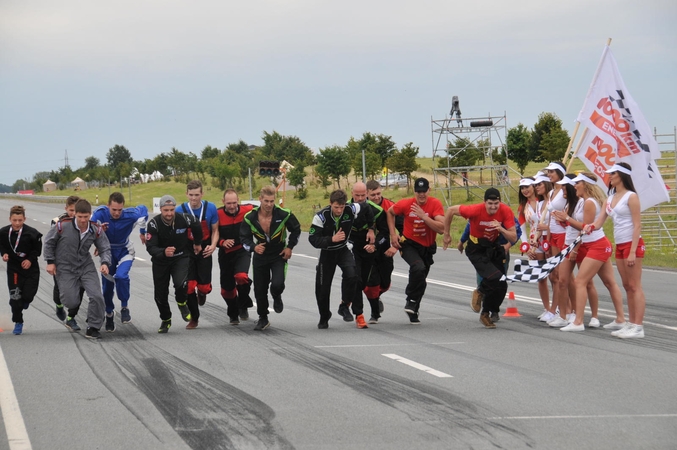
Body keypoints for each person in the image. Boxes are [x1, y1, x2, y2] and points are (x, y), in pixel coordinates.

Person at [586, 163, 646, 338]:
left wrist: (633, 251)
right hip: (620, 245)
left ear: (622, 175)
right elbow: (599, 222)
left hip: (632, 244)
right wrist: (589, 227)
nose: (610, 176)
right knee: (627, 286)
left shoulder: (631, 196)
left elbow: (637, 225)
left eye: (613, 173)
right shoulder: (610, 198)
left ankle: (638, 327)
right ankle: (630, 323)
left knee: (635, 286)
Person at [559, 173, 626, 332]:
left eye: (577, 183)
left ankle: (578, 322)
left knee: (580, 282)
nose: (574, 186)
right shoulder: (583, 201)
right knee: (609, 282)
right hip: (592, 244)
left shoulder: (590, 202)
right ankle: (620, 319)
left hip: (597, 245)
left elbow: (586, 228)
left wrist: (567, 218)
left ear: (585, 185)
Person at [443, 188, 517, 328]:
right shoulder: (475, 210)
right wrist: (447, 234)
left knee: (502, 284)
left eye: (496, 203)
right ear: (484, 202)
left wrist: (501, 229)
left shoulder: (505, 211)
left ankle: (486, 313)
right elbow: (450, 210)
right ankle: (480, 291)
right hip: (476, 249)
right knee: (494, 277)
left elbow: (513, 237)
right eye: (490, 203)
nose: (493, 207)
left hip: (493, 247)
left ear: (500, 202)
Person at [43, 199, 111, 340]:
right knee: (71, 302)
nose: (83, 220)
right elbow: (49, 242)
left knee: (97, 296)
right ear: (75, 214)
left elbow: (105, 247)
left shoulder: (95, 229)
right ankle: (70, 297)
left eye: (86, 217)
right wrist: (50, 262)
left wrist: (105, 263)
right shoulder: (62, 226)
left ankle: (93, 327)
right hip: (65, 266)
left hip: (85, 265)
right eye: (80, 216)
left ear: (90, 214)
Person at [309, 189, 374, 329]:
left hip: (343, 250)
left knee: (353, 276)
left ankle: (344, 305)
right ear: (330, 203)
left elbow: (367, 207)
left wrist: (371, 229)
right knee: (322, 288)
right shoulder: (320, 217)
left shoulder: (351, 209)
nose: (339, 210)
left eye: (342, 207)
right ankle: (324, 316)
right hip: (327, 253)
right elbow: (313, 239)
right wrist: (331, 239)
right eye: (336, 207)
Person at [241, 186, 301, 331]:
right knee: (259, 288)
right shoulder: (250, 217)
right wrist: (254, 247)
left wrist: (289, 247)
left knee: (277, 284)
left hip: (278, 254)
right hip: (260, 254)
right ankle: (263, 317)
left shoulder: (284, 214)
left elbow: (296, 230)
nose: (269, 204)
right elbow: (243, 238)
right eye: (266, 201)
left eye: (272, 201)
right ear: (260, 199)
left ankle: (277, 295)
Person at [387, 177, 445, 324]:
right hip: (409, 244)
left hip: (427, 247)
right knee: (418, 268)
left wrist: (424, 217)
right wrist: (393, 234)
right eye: (418, 191)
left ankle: (413, 309)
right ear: (414, 192)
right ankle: (411, 300)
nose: (421, 195)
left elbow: (441, 228)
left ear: (429, 191)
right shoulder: (406, 204)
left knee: (421, 279)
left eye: (424, 191)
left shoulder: (435, 204)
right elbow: (390, 212)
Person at [91, 192, 148, 332]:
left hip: (124, 251)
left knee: (121, 276)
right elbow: (89, 230)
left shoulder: (130, 214)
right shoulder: (99, 214)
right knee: (107, 287)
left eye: (120, 210)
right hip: (107, 253)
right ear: (108, 206)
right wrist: (98, 238)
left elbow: (144, 210)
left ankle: (124, 307)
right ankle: (109, 314)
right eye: (114, 210)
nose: (117, 213)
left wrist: (142, 231)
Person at [145, 195, 203, 332]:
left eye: (172, 210)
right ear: (160, 209)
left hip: (180, 257)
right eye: (166, 210)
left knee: (181, 284)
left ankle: (182, 303)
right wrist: (163, 252)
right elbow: (150, 247)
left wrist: (197, 243)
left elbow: (196, 225)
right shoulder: (153, 224)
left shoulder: (184, 218)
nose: (169, 214)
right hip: (161, 261)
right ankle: (166, 319)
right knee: (160, 295)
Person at [550, 175, 600, 328]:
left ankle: (593, 316)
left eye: (565, 186)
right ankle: (564, 315)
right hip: (569, 244)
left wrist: (567, 220)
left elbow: (585, 227)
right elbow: (571, 225)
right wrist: (562, 219)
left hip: (581, 244)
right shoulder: (571, 203)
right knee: (562, 280)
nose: (562, 189)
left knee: (586, 282)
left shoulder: (585, 202)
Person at [176, 180, 219, 308]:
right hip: (188, 249)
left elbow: (215, 230)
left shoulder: (210, 208)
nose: (193, 198)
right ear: (186, 194)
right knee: (189, 286)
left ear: (202, 194)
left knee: (204, 287)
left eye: (196, 195)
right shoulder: (180, 210)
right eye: (191, 195)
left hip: (205, 248)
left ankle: (202, 292)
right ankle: (193, 310)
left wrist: (213, 246)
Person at [0, 206, 43, 335]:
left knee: (27, 296)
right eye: (14, 220)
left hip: (30, 268)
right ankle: (18, 322)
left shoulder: (33, 233)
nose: (17, 223)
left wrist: (29, 260)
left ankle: (24, 302)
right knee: (15, 297)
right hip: (14, 269)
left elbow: (37, 250)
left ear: (24, 219)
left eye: (20, 220)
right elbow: (1, 245)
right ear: (10, 219)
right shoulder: (3, 232)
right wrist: (4, 254)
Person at [349, 182, 386, 324]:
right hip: (351, 248)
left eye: (363, 195)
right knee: (355, 278)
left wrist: (375, 245)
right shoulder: (345, 208)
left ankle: (375, 310)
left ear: (367, 194)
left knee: (368, 283)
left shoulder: (377, 211)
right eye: (357, 195)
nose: (360, 198)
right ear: (352, 194)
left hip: (369, 249)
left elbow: (385, 234)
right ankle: (359, 314)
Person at [216, 189, 255, 324]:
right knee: (226, 290)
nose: (232, 206)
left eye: (234, 203)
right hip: (225, 254)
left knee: (241, 276)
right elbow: (211, 234)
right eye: (228, 203)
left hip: (242, 250)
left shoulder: (248, 209)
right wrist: (222, 242)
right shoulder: (217, 214)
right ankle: (233, 312)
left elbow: (267, 208)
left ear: (238, 200)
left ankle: (243, 304)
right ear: (223, 202)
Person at [365, 180, 400, 323]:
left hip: (385, 249)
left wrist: (396, 247)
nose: (376, 197)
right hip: (367, 251)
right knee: (371, 283)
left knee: (385, 283)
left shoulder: (391, 206)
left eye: (378, 193)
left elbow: (405, 228)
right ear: (367, 194)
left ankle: (377, 296)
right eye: (373, 195)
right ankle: (374, 313)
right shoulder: (362, 206)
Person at [517, 177, 551, 319]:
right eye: (522, 188)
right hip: (534, 243)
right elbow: (521, 228)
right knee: (541, 277)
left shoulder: (543, 201)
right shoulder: (522, 206)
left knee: (555, 276)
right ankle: (547, 308)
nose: (525, 190)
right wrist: (526, 246)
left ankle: (561, 308)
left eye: (527, 187)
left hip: (548, 239)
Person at [50, 195, 82, 322]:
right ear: (66, 209)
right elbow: (51, 243)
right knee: (60, 288)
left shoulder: (83, 220)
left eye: (76, 210)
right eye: (71, 210)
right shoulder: (57, 222)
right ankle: (59, 305)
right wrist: (51, 262)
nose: (74, 214)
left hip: (78, 260)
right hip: (61, 260)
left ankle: (71, 317)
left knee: (80, 287)